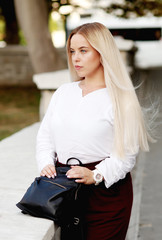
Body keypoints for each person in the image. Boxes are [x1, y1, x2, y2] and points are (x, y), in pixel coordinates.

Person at [36, 22, 155, 240]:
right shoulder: (64, 93)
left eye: (83, 51)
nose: (75, 58)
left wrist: (95, 175)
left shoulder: (121, 99)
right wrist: (45, 163)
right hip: (65, 190)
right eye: (72, 51)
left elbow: (126, 154)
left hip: (106, 196)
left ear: (102, 53)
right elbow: (45, 136)